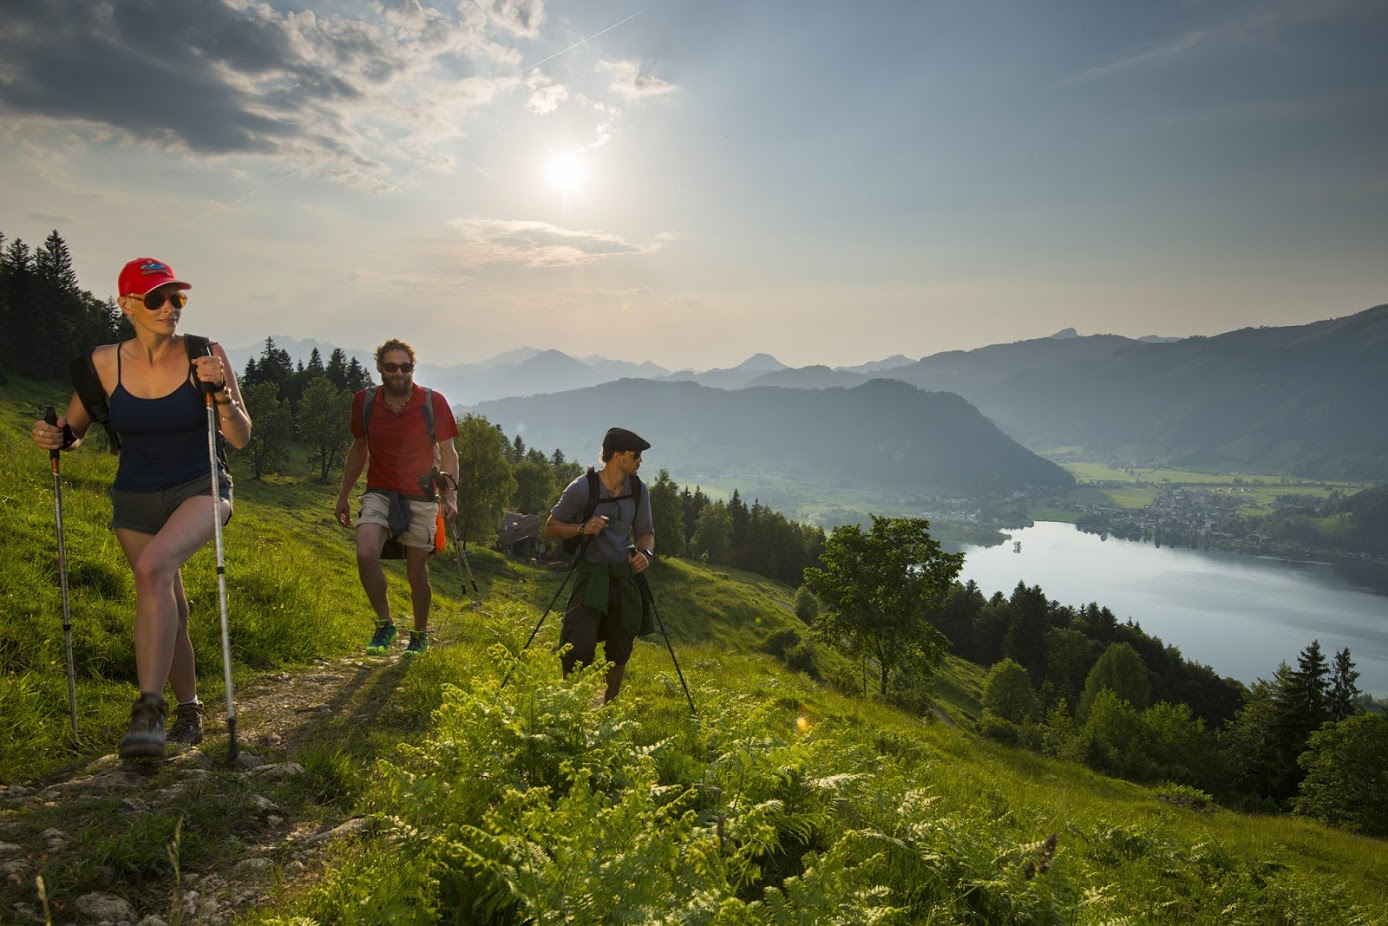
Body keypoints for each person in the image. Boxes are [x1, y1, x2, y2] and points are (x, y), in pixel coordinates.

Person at [31, 257, 251, 759]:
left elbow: (239, 436)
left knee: (153, 571)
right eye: (157, 299)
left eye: (177, 298)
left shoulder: (204, 354)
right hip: (133, 496)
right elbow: (75, 433)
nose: (170, 308)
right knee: (164, 597)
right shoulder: (99, 365)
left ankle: (147, 713)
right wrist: (55, 438)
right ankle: (190, 709)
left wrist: (220, 396)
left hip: (202, 485)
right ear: (127, 304)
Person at [335, 339, 459, 657]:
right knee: (365, 553)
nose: (399, 373)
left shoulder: (433, 402)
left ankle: (418, 633)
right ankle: (385, 623)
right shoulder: (364, 402)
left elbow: (448, 452)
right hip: (379, 491)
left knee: (416, 572)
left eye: (405, 367)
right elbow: (358, 448)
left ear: (412, 368)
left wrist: (451, 495)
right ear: (380, 369)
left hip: (421, 495)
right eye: (391, 367)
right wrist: (344, 494)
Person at [542, 427, 655, 703]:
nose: (640, 461)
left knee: (620, 646)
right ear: (617, 456)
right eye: (636, 455)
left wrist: (646, 554)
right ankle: (567, 704)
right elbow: (551, 527)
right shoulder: (582, 488)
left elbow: (646, 532)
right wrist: (582, 527)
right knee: (578, 645)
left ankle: (609, 708)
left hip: (623, 575)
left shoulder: (638, 490)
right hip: (591, 575)